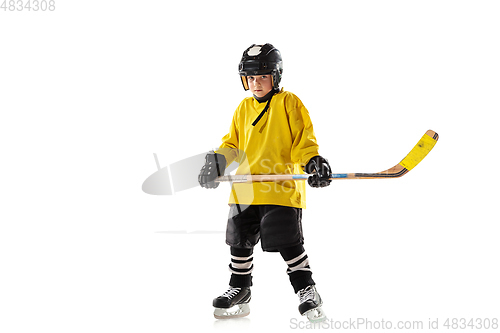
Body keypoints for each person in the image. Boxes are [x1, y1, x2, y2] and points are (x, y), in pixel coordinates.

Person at [198, 43, 331, 323]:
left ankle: (307, 290)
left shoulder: (289, 103)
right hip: (245, 189)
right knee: (239, 244)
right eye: (251, 78)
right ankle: (240, 289)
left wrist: (312, 161)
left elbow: (302, 141)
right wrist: (217, 162)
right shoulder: (243, 108)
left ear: (276, 76)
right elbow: (232, 144)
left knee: (289, 244)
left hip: (280, 187)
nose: (256, 83)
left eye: (263, 76)